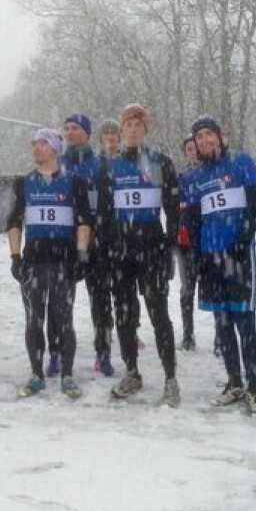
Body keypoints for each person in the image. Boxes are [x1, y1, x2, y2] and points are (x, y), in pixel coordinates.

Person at [98, 103, 181, 407]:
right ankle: (132, 371)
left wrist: (169, 247)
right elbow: (104, 214)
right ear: (121, 131)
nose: (132, 130)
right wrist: (106, 251)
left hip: (151, 249)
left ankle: (171, 377)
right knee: (124, 314)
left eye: (137, 124)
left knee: (159, 313)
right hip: (121, 252)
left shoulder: (161, 162)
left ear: (146, 129)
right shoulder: (110, 165)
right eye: (127, 125)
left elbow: (173, 211)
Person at [183, 116, 256, 413]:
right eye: (199, 137)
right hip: (211, 258)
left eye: (209, 135)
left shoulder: (241, 162)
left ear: (220, 136)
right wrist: (198, 255)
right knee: (223, 325)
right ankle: (234, 381)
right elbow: (192, 220)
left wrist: (243, 239)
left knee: (245, 322)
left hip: (239, 257)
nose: (205, 141)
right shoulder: (194, 177)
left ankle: (254, 387)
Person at [8, 128, 92, 398]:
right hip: (33, 261)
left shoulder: (73, 181)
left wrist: (81, 254)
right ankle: (36, 374)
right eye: (33, 144)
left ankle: (67, 375)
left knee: (64, 319)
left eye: (42, 144)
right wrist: (15, 257)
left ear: (55, 148)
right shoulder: (24, 182)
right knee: (34, 319)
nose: (36, 149)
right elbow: (13, 222)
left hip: (63, 261)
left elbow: (84, 220)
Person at [59, 112, 114, 376]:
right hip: (65, 243)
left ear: (87, 133)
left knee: (101, 300)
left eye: (76, 128)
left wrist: (104, 233)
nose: (70, 132)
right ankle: (58, 351)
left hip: (97, 243)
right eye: (66, 128)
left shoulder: (101, 164)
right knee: (61, 300)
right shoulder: (57, 163)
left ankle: (103, 352)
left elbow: (110, 203)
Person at [99, 118, 144, 352]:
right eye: (105, 135)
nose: (110, 138)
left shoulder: (130, 160)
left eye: (113, 134)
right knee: (103, 292)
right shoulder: (98, 164)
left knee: (128, 292)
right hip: (104, 234)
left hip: (130, 238)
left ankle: (131, 330)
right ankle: (105, 335)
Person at [175, 136, 201, 352]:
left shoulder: (214, 174)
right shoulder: (181, 178)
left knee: (214, 288)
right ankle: (188, 334)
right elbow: (175, 207)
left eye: (195, 148)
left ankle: (220, 337)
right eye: (189, 149)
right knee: (187, 289)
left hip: (209, 240)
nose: (193, 152)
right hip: (185, 241)